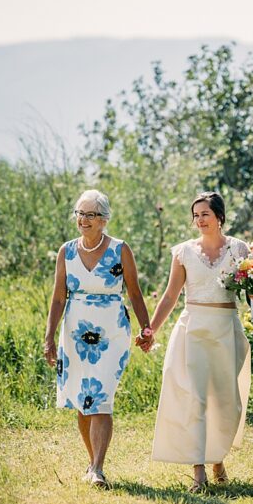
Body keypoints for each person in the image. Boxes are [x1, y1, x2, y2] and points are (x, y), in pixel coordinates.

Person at [44, 189, 152, 488]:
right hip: (75, 333)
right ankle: (93, 464)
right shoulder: (66, 251)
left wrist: (146, 328)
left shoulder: (120, 250)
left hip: (112, 333)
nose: (83, 219)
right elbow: (57, 298)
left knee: (100, 395)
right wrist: (49, 337)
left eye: (90, 214)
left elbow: (134, 292)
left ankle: (98, 468)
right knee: (82, 399)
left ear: (104, 220)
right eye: (80, 213)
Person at [148, 192, 252, 491]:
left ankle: (217, 456)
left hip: (225, 330)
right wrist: (151, 329)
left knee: (226, 401)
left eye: (205, 213)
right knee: (195, 398)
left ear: (219, 216)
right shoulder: (183, 252)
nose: (199, 220)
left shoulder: (239, 249)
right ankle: (199, 471)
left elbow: (252, 289)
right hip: (192, 329)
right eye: (195, 215)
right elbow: (170, 296)